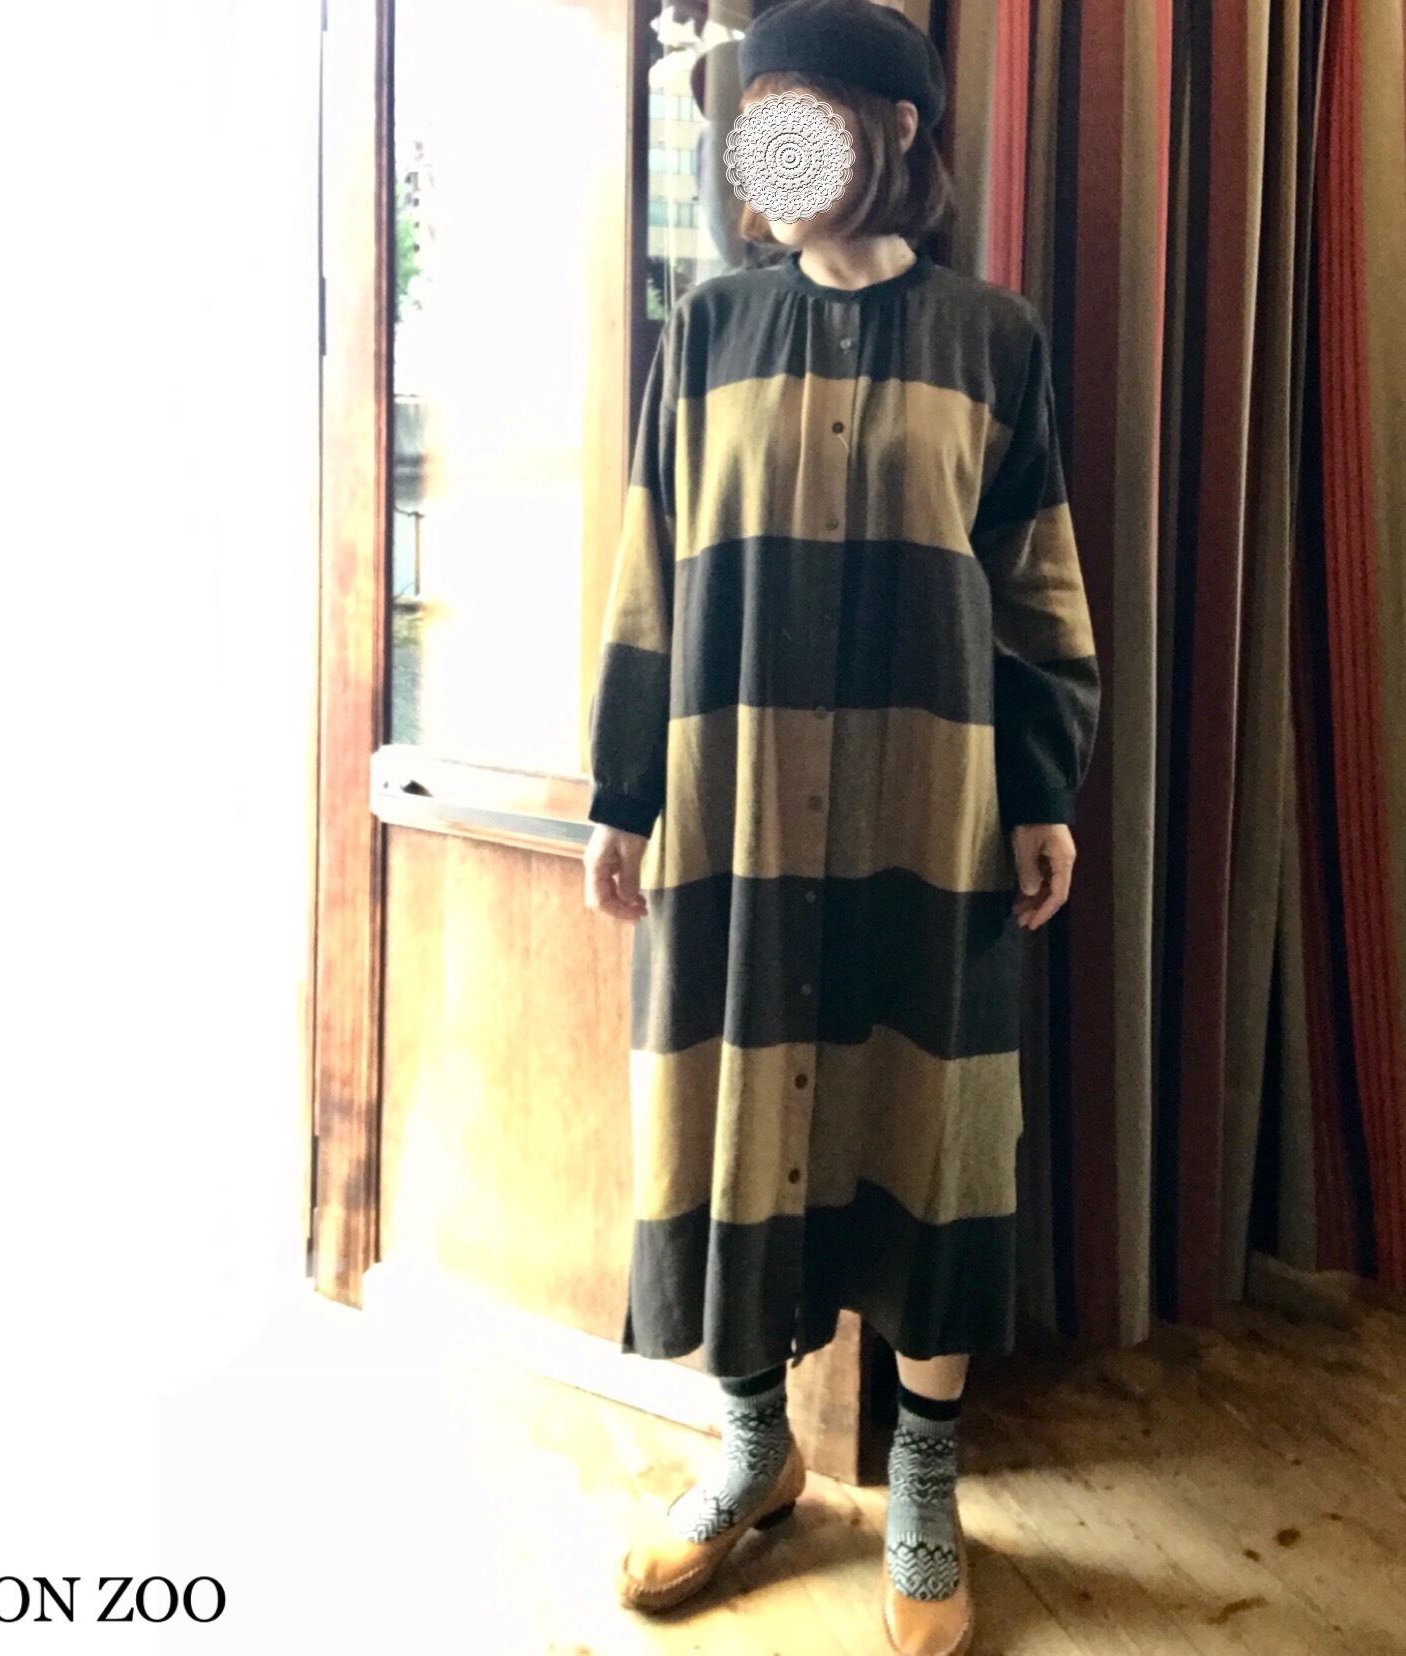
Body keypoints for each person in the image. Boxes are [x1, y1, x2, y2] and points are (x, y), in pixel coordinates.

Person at [582, 2, 1101, 1651]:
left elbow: (1036, 585)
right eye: (757, 130)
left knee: (932, 1126)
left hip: (929, 808)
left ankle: (925, 1472)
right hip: (732, 810)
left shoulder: (991, 338)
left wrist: (1044, 792)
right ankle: (754, 1451)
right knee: (726, 1113)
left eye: (800, 120)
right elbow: (650, 567)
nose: (772, 158)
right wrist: (622, 789)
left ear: (894, 130)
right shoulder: (710, 328)